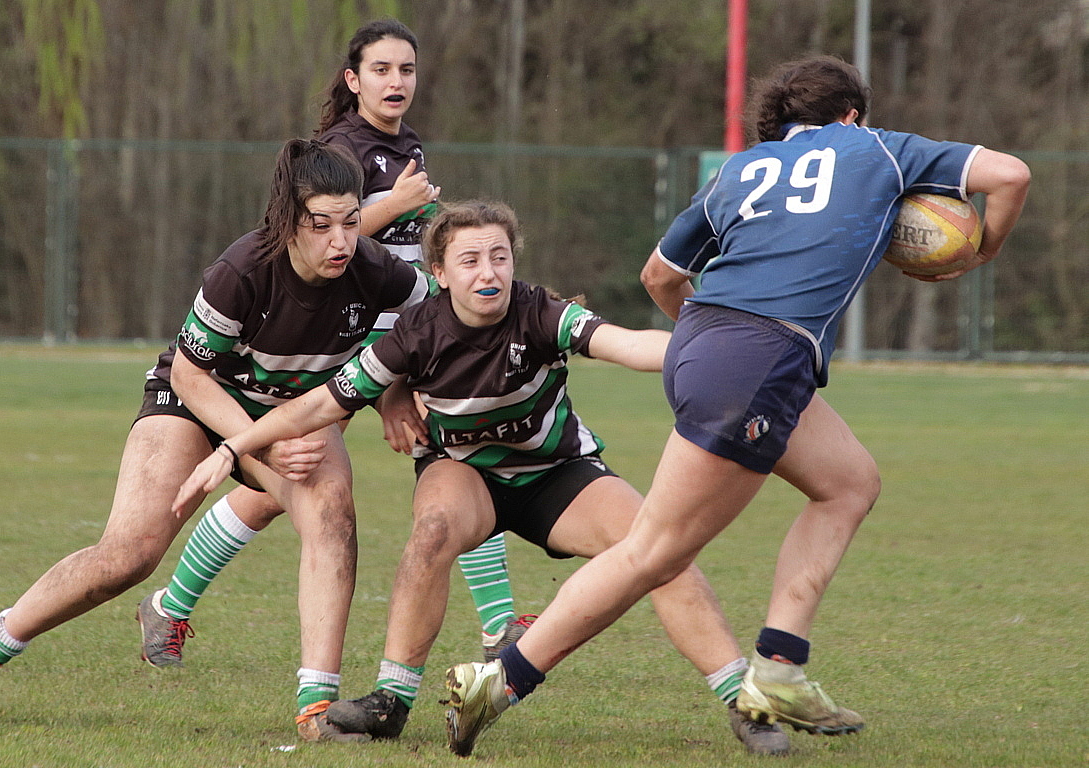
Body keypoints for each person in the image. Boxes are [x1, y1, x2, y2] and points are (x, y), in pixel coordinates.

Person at [438, 55, 1031, 756]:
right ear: (849, 115)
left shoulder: (739, 171)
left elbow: (659, 275)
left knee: (848, 483)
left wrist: (708, 342)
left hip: (705, 346)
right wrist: (982, 246)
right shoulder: (875, 147)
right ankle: (498, 681)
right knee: (653, 552)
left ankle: (779, 664)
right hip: (761, 359)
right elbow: (1010, 174)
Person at [172, 200, 795, 755]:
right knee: (432, 530)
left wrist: (712, 349)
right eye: (469, 260)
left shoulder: (540, 312)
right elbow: (316, 406)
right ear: (439, 275)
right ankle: (392, 701)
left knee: (665, 549)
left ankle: (745, 704)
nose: (488, 272)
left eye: (499, 256)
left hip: (559, 473)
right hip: (463, 473)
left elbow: (626, 344)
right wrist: (235, 448)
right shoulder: (413, 336)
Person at [0, 139, 432, 738]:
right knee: (130, 556)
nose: (341, 241)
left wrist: (396, 393)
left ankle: (315, 710)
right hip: (195, 402)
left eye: (351, 222)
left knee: (332, 518)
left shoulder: (376, 271)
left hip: (291, 416)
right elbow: (192, 376)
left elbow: (429, 327)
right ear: (286, 221)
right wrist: (256, 441)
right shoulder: (242, 271)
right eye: (320, 225)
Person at [136, 19, 530, 677]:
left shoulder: (403, 145)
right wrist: (397, 379)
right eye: (380, 69)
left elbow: (392, 249)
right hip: (358, 336)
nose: (395, 81)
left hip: (397, 322)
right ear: (353, 80)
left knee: (278, 487)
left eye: (406, 69)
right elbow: (328, 240)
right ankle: (498, 627)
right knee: (452, 442)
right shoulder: (342, 148)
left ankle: (169, 606)